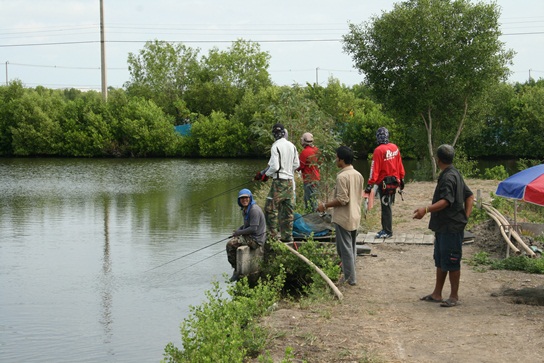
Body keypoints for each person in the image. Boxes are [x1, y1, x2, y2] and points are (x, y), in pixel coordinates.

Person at [413, 144, 474, 307]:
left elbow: (446, 201)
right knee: (441, 260)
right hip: (443, 227)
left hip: (451, 228)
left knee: (452, 260)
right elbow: (470, 196)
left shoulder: (449, 177)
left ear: (438, 159)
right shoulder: (454, 174)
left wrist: (425, 210)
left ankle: (454, 296)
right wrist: (465, 217)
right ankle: (437, 293)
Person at [316, 146, 364, 286]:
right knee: (351, 247)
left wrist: (324, 206)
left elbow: (343, 199)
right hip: (355, 215)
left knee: (345, 250)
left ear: (341, 159)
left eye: (337, 157)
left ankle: (350, 279)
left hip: (344, 218)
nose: (336, 160)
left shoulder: (342, 176)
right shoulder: (358, 174)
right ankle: (350, 275)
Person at [255, 123, 300, 242]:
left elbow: (275, 166)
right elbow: (297, 164)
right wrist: (288, 170)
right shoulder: (292, 146)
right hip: (290, 182)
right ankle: (287, 237)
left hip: (279, 182)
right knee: (288, 211)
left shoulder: (275, 146)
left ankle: (272, 237)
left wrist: (266, 175)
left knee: (270, 209)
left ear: (274, 134)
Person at [364, 127, 405, 239]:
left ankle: (387, 231)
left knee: (386, 207)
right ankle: (386, 229)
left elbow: (374, 169)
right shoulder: (394, 147)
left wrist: (369, 185)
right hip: (394, 182)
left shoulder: (378, 150)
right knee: (387, 205)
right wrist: (401, 178)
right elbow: (399, 164)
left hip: (384, 184)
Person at [226, 188, 267, 282]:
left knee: (230, 245)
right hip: (251, 236)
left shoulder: (254, 210)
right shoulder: (246, 209)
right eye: (242, 198)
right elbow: (247, 226)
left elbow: (253, 228)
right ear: (239, 200)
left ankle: (237, 270)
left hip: (256, 240)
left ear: (250, 198)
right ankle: (237, 269)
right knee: (235, 240)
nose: (244, 200)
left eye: (246, 198)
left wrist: (239, 233)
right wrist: (239, 230)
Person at [296, 132, 321, 211]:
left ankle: (312, 217)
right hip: (317, 178)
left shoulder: (304, 152)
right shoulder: (317, 150)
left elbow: (299, 167)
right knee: (315, 199)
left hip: (308, 180)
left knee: (309, 201)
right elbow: (320, 163)